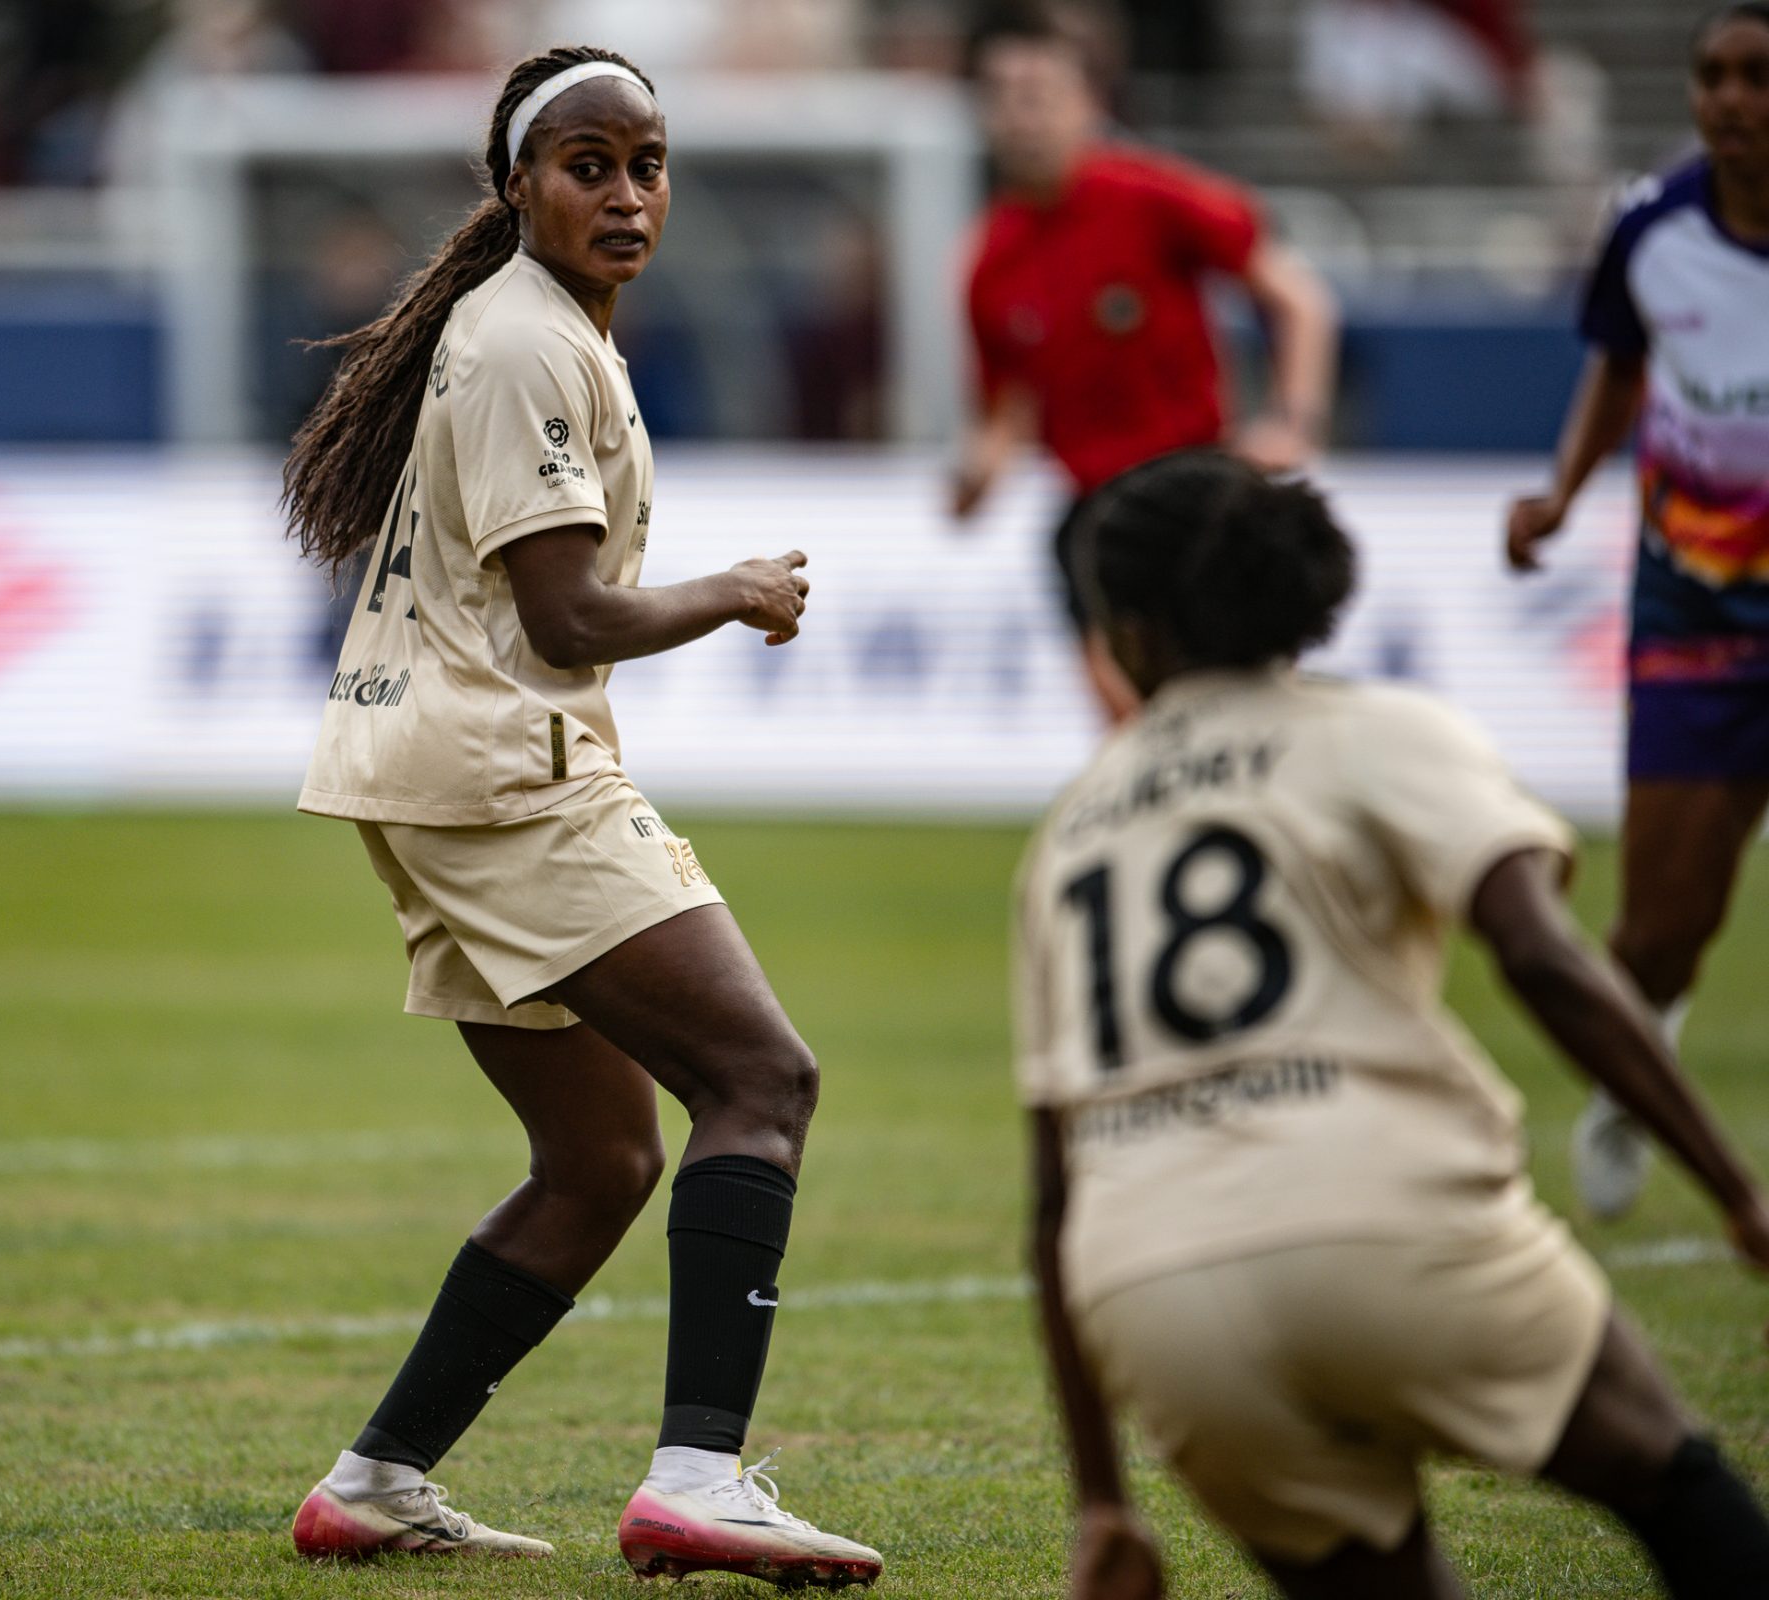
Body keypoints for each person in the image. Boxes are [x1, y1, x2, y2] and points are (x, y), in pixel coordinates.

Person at [277, 45, 882, 1588]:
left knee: (600, 1160)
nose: (626, 193)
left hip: (419, 770)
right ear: (516, 187)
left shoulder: (525, 332)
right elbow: (564, 616)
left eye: (647, 165)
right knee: (763, 1079)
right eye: (588, 164)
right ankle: (699, 1481)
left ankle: (375, 1481)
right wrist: (735, 590)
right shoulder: (529, 345)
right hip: (498, 770)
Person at [1015, 449, 1769, 1600]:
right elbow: (1542, 954)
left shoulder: (1069, 833)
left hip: (1153, 1291)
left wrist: (1104, 1503)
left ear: (1132, 633)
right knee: (1677, 1491)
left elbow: (1050, 1192)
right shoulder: (1376, 733)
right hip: (1381, 1216)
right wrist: (1733, 1185)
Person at [1505, 3, 1769, 1226]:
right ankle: (1632, 1083)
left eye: (1753, 78)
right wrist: (1561, 494)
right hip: (1696, 605)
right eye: (1709, 76)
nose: (1726, 100)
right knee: (1663, 925)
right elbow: (1616, 366)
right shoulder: (1652, 232)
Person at [951, 0, 1336, 724]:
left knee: (1238, 702)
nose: (1019, 115)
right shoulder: (990, 260)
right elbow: (1000, 409)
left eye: (1037, 95)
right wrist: (978, 472)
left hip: (1197, 487)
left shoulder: (1154, 199)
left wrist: (1295, 420)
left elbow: (1299, 299)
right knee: (1130, 719)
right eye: (1000, 96)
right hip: (1096, 510)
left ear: (1086, 100)